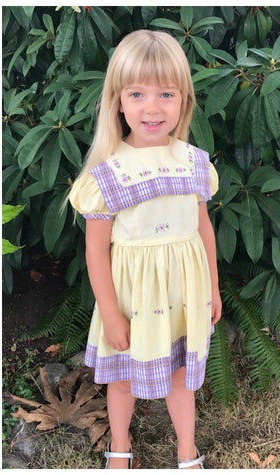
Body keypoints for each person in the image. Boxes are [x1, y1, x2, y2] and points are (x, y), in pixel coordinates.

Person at [67, 30, 221, 470]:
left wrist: (212, 286)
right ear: (117, 100)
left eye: (165, 94)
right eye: (137, 93)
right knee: (122, 380)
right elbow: (96, 252)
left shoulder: (194, 161)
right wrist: (111, 313)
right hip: (134, 300)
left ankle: (186, 449)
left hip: (184, 296)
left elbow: (202, 228)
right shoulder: (107, 175)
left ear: (183, 100)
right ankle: (119, 448)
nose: (152, 108)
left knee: (180, 377)